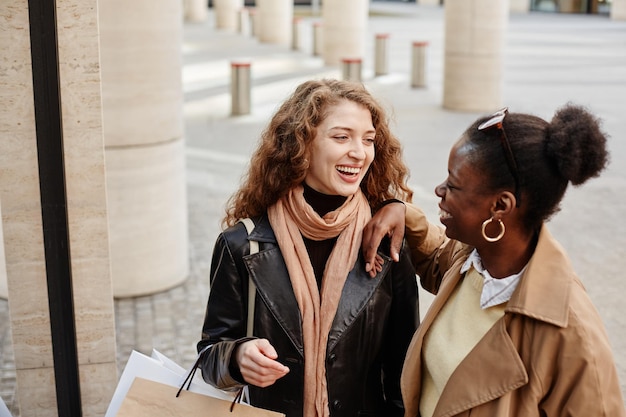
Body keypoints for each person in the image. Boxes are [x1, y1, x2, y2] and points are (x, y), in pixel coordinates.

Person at [362, 104, 626, 416]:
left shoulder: (572, 336)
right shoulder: (473, 256)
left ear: (500, 205)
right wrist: (402, 211)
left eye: (454, 184)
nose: (439, 190)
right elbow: (437, 259)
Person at [197, 79, 419, 417]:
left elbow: (405, 366)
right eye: (341, 137)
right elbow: (209, 353)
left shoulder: (386, 241)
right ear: (301, 144)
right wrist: (237, 358)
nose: (359, 152)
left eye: (369, 139)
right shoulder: (242, 244)